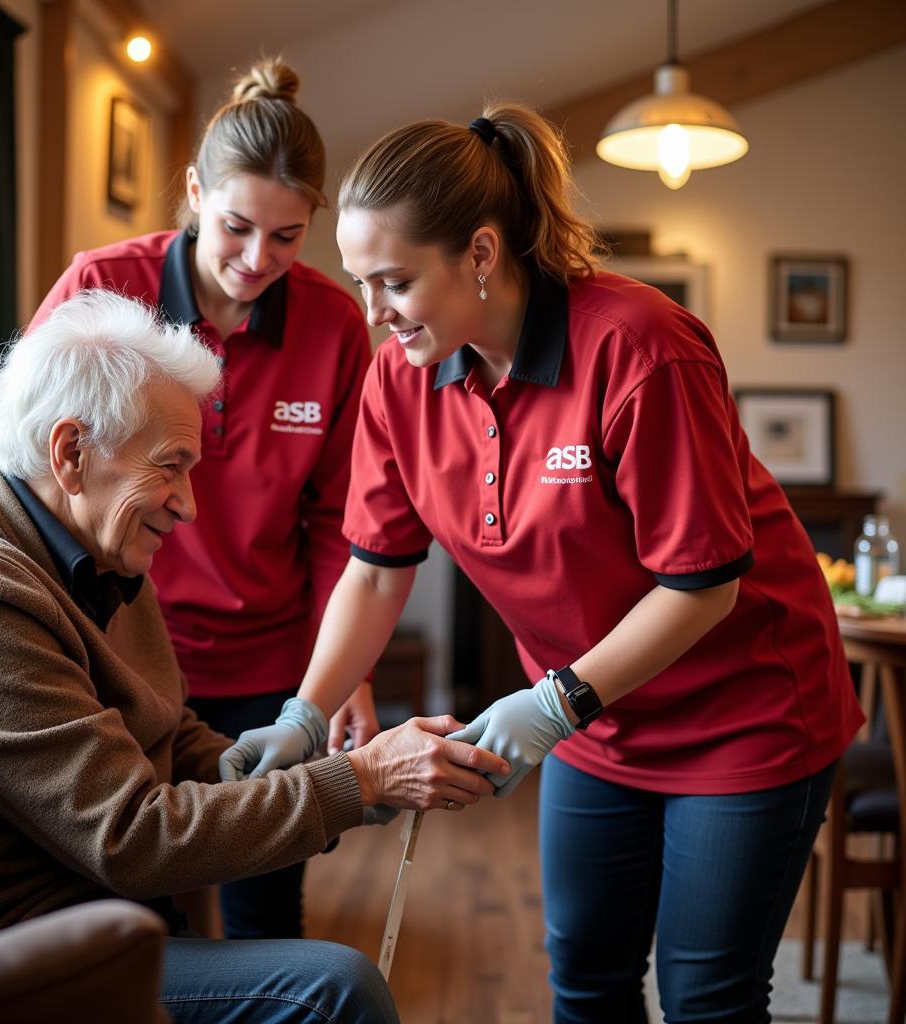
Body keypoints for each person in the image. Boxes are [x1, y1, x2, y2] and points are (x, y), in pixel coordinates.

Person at [220, 105, 864, 1023]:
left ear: (481, 254)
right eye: (361, 282)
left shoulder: (640, 346)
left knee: (707, 997)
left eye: (395, 281)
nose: (374, 313)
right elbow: (372, 568)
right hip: (596, 728)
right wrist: (305, 710)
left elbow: (703, 586)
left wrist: (548, 704)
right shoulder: (402, 376)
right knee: (587, 981)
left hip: (747, 713)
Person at [0, 289, 509, 1024]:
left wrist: (305, 771)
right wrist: (359, 780)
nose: (189, 505)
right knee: (336, 990)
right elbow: (130, 837)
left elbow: (170, 737)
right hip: (33, 951)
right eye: (170, 467)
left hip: (105, 911)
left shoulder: (94, 549)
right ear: (70, 452)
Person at [31, 57, 377, 941]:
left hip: (270, 668)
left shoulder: (335, 326)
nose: (259, 260)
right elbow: (31, 461)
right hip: (118, 653)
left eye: (289, 237)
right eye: (236, 228)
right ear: (192, 192)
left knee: (267, 912)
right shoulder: (102, 286)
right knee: (131, 915)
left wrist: (343, 677)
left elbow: (344, 524)